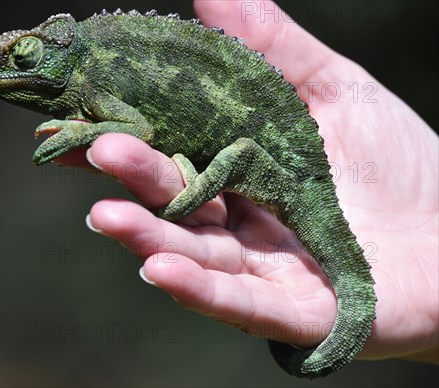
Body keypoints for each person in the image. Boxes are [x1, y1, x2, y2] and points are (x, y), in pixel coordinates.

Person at [60, 0, 438, 363]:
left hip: (279, 166)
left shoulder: (93, 68)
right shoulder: (105, 57)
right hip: (267, 158)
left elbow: (143, 128)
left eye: (25, 54)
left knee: (239, 156)